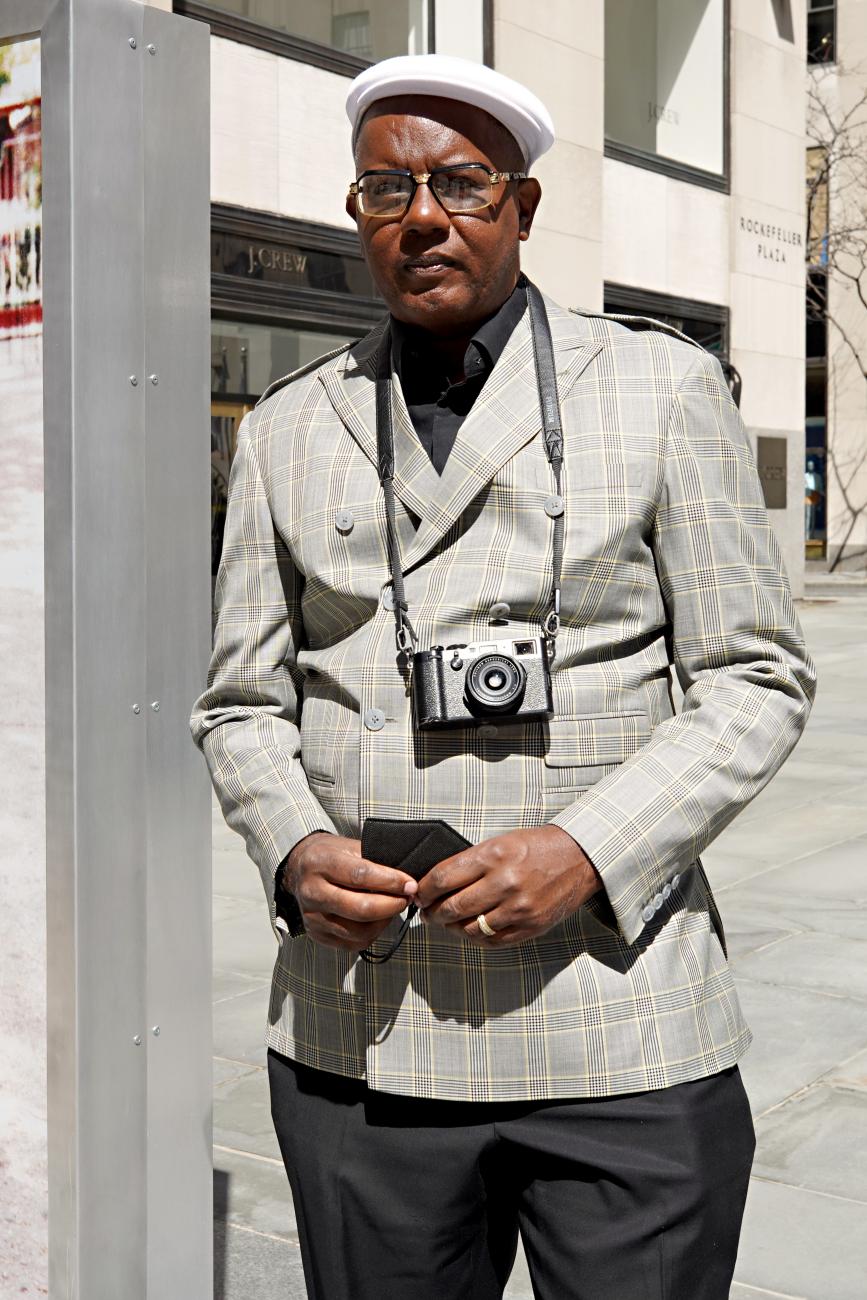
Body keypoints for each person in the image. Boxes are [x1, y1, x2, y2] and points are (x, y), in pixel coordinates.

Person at [190, 53, 816, 1300]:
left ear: (522, 209)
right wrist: (292, 850)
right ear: (358, 215)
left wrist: (589, 846)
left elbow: (756, 678)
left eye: (461, 183)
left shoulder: (661, 386)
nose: (421, 214)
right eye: (385, 188)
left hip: (620, 1028)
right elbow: (241, 703)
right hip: (361, 1036)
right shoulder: (286, 428)